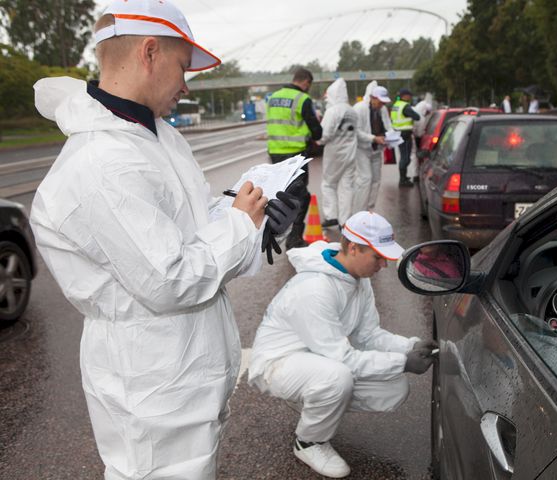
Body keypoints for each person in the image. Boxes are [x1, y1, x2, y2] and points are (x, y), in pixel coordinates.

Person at [29, 1, 300, 478]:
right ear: (150, 52)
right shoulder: (102, 163)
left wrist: (255, 217)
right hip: (152, 386)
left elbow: (187, 232)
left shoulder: (151, 135)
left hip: (181, 373)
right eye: (182, 66)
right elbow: (169, 279)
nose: (186, 84)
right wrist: (239, 225)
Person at [248, 211, 437, 478]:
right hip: (278, 363)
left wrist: (411, 347)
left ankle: (313, 400)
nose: (383, 265)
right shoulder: (314, 288)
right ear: (353, 248)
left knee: (395, 388)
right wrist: (403, 362)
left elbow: (368, 335)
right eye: (378, 256)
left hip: (317, 359)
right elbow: (343, 359)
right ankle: (308, 442)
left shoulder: (359, 280)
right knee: (337, 377)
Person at [267, 67, 323, 249]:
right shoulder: (303, 99)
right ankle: (294, 237)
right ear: (306, 82)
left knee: (282, 193)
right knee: (301, 197)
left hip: (275, 153)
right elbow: (316, 131)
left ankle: (274, 232)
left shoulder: (273, 97)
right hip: (296, 155)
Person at [318, 78, 358, 227]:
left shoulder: (332, 111)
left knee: (328, 184)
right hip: (350, 152)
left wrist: (318, 141)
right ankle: (345, 220)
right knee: (346, 186)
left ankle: (331, 216)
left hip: (334, 153)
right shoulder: (352, 111)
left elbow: (325, 134)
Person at [353, 82, 392, 211]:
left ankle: (369, 209)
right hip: (362, 149)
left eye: (384, 102)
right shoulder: (359, 109)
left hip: (377, 149)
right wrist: (373, 138)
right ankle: (359, 211)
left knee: (376, 180)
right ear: (372, 98)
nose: (382, 105)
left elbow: (387, 125)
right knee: (365, 179)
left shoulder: (382, 109)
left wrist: (391, 137)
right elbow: (356, 132)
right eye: (380, 102)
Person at [391, 88, 421, 187]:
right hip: (405, 134)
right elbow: (417, 117)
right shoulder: (405, 106)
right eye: (409, 95)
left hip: (398, 133)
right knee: (405, 158)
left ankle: (403, 177)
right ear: (405, 96)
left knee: (403, 156)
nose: (410, 97)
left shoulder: (396, 105)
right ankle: (402, 180)